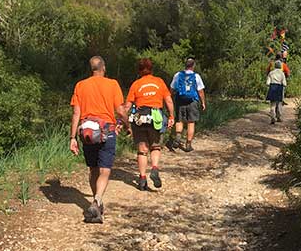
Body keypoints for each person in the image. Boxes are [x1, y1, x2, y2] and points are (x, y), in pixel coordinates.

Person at [69, 56, 128, 224]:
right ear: (104, 68)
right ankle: (97, 200)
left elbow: (76, 113)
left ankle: (97, 204)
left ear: (91, 69)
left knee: (93, 169)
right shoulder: (112, 84)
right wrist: (127, 125)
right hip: (106, 130)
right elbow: (120, 110)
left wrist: (72, 137)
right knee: (105, 170)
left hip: (87, 132)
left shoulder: (80, 85)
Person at [125, 58, 175, 191]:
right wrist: (171, 116)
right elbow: (168, 101)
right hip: (155, 117)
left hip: (140, 118)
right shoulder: (159, 82)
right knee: (155, 147)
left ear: (139, 71)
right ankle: (154, 168)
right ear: (151, 69)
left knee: (142, 150)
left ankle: (142, 179)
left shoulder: (136, 84)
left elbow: (128, 105)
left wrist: (121, 121)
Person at [167, 58, 206, 152]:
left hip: (180, 100)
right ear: (193, 66)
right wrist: (203, 102)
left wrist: (169, 98)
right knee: (191, 122)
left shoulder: (178, 75)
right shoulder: (196, 76)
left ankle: (178, 137)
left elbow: (172, 89)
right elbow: (200, 91)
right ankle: (188, 145)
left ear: (185, 65)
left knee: (179, 120)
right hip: (192, 101)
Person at [266, 59, 287, 124]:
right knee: (279, 104)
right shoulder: (282, 73)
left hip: (272, 88)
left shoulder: (271, 73)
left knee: (273, 104)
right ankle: (279, 117)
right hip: (279, 88)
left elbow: (267, 83)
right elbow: (284, 84)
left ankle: (273, 117)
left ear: (275, 66)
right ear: (280, 66)